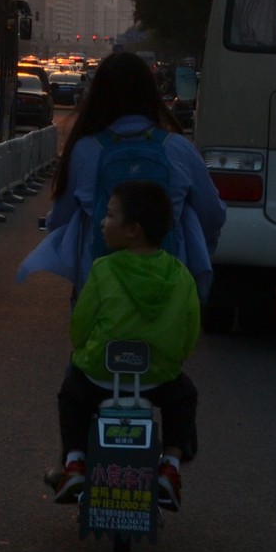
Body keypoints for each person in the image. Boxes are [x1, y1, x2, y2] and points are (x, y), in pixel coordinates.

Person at [17, 52, 226, 301]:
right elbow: (213, 215)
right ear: (151, 94)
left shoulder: (85, 149)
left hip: (101, 294)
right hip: (167, 294)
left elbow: (61, 219)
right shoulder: (178, 148)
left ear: (98, 97)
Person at [48, 179, 200, 507]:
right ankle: (170, 467)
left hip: (100, 377)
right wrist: (172, 361)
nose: (103, 222)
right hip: (157, 379)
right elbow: (190, 333)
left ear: (132, 230)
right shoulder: (180, 275)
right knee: (184, 397)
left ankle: (74, 463)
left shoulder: (103, 270)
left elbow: (81, 327)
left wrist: (83, 350)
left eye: (110, 216)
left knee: (71, 393)